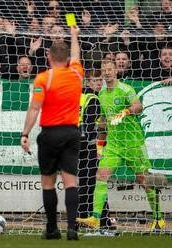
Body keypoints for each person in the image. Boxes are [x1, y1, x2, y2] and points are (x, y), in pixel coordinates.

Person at [77, 60, 166, 232]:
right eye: (104, 71)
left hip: (133, 143)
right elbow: (103, 121)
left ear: (116, 71)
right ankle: (95, 218)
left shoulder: (126, 89)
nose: (107, 73)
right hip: (114, 145)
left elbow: (138, 106)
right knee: (101, 176)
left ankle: (158, 218)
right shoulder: (101, 94)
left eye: (110, 70)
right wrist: (99, 144)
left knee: (144, 180)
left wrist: (125, 112)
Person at [20, 26, 83, 240]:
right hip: (72, 133)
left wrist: (25, 133)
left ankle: (53, 229)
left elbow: (35, 108)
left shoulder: (43, 79)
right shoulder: (76, 73)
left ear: (48, 56)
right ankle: (72, 228)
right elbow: (76, 54)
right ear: (67, 58)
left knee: (48, 182)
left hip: (50, 134)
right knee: (71, 182)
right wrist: (74, 35)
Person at [78, 69, 113, 229]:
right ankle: (103, 220)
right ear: (87, 82)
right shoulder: (93, 99)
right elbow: (91, 126)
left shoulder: (81, 96)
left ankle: (82, 217)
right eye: (95, 80)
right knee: (96, 182)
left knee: (85, 183)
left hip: (75, 145)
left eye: (100, 80)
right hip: (87, 146)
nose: (99, 83)